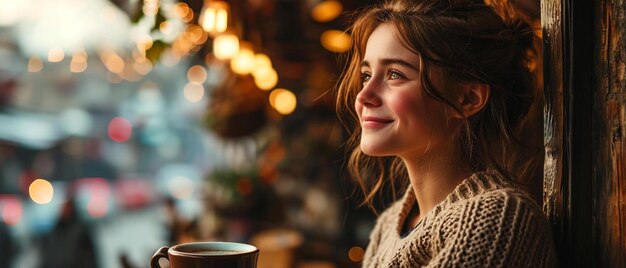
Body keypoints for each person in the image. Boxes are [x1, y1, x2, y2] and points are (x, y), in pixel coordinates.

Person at [335, 0, 558, 266]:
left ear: (467, 99)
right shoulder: (388, 226)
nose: (364, 96)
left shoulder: (497, 217)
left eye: (394, 74)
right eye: (366, 75)